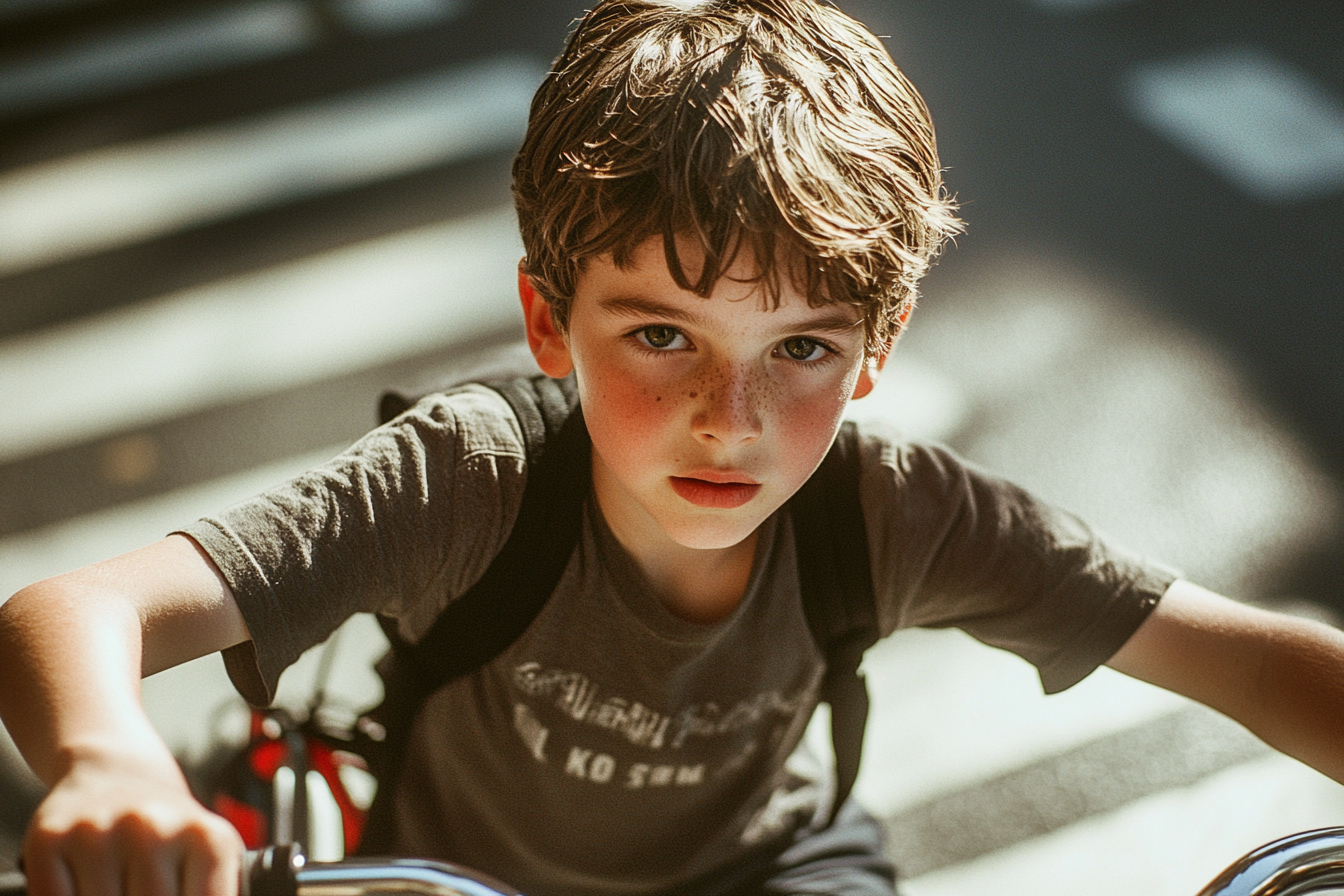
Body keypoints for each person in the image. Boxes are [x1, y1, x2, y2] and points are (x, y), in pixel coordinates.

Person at [4, 1, 1344, 894]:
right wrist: (111, 757)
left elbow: (1258, 657)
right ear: (549, 320)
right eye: (662, 337)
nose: (731, 415)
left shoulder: (897, 514)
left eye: (802, 350)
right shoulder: (471, 480)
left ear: (878, 350)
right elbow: (71, 615)